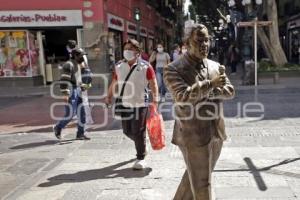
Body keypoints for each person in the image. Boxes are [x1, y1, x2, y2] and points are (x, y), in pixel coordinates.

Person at [164, 24, 235, 199]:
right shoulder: (173, 69)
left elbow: (230, 91)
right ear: (187, 43)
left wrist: (215, 89)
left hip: (216, 131)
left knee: (194, 177)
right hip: (192, 134)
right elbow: (182, 96)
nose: (205, 44)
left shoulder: (215, 66)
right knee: (203, 182)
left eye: (207, 40)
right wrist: (211, 84)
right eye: (199, 40)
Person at [105, 39, 159, 170]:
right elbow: (114, 82)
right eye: (126, 48)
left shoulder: (146, 66)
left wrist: (156, 98)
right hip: (125, 103)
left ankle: (141, 157)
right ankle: (142, 144)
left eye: (130, 49)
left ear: (137, 51)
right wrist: (109, 96)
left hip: (141, 103)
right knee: (127, 131)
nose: (127, 51)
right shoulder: (119, 66)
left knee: (138, 130)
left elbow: (153, 83)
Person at [53, 48, 91, 140]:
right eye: (81, 55)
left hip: (78, 89)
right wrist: (65, 94)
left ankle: (80, 134)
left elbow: (80, 78)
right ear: (75, 56)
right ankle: (58, 127)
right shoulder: (68, 64)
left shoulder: (78, 64)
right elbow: (64, 80)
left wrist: (83, 84)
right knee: (70, 113)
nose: (83, 57)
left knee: (82, 113)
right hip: (71, 90)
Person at [66, 40, 93, 125]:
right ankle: (83, 114)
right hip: (87, 76)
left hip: (83, 77)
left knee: (83, 98)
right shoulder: (80, 51)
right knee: (82, 97)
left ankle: (88, 119)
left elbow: (81, 66)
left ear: (69, 47)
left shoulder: (77, 53)